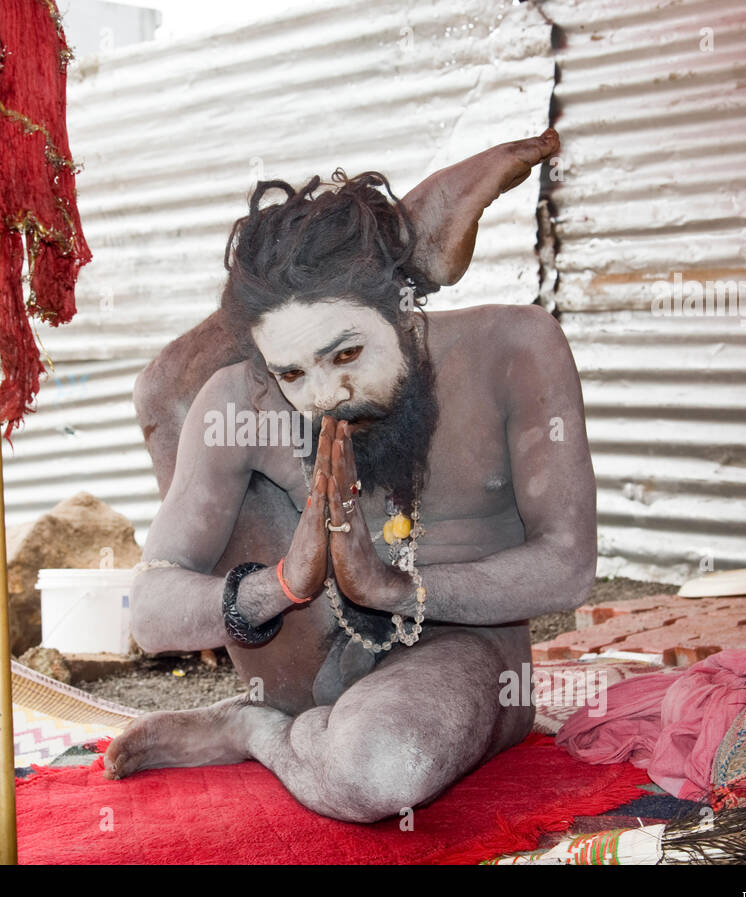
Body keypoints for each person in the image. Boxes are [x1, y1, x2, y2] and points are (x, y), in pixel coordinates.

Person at [107, 129, 597, 823]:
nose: (326, 394)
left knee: (380, 766)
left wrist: (396, 588)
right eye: (293, 371)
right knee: (166, 391)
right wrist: (276, 587)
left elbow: (569, 567)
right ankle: (402, 234)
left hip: (459, 650)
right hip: (306, 662)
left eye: (347, 354)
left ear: (402, 308)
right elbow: (151, 610)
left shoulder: (516, 346)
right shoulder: (245, 399)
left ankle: (258, 732)